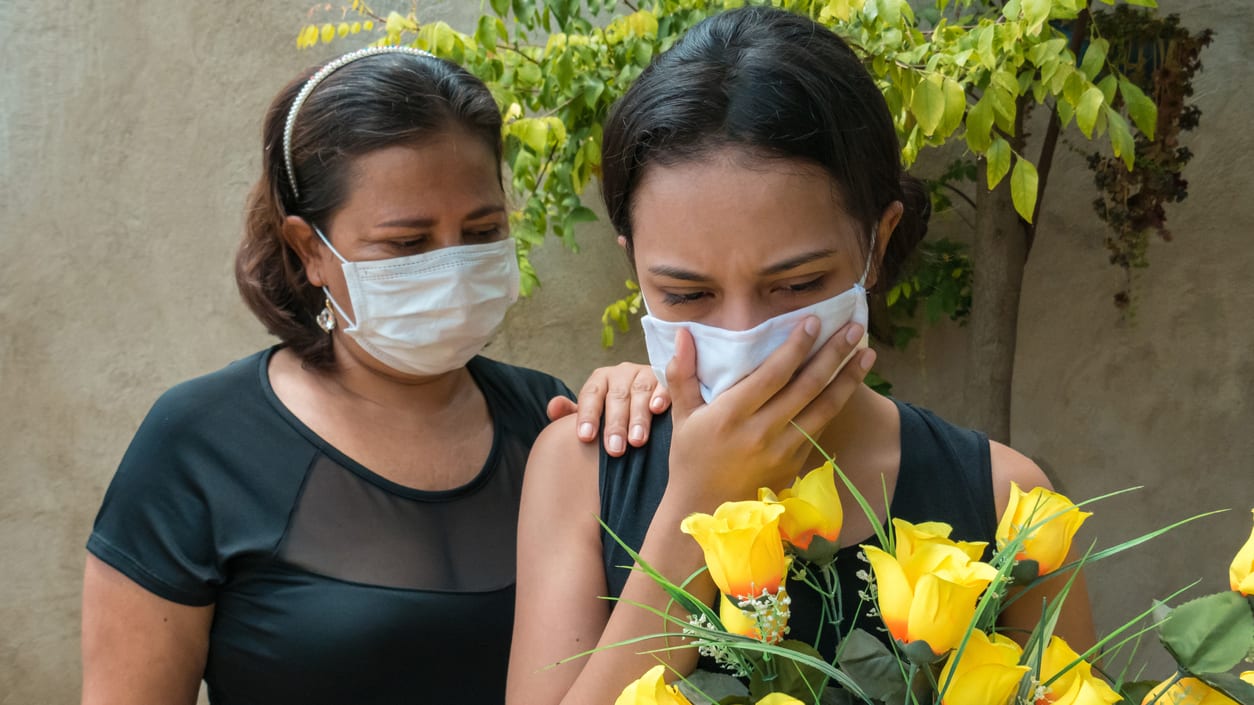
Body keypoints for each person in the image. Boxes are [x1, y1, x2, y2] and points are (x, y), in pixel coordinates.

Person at [507, 7, 1097, 704]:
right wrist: (697, 507)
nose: (747, 333)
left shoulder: (1009, 503)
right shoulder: (579, 472)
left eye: (796, 285)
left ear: (877, 243)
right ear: (635, 270)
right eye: (687, 292)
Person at [80, 46, 668, 705]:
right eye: (408, 242)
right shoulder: (199, 446)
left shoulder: (553, 421)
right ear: (310, 251)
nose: (452, 266)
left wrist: (645, 394)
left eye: (482, 229)